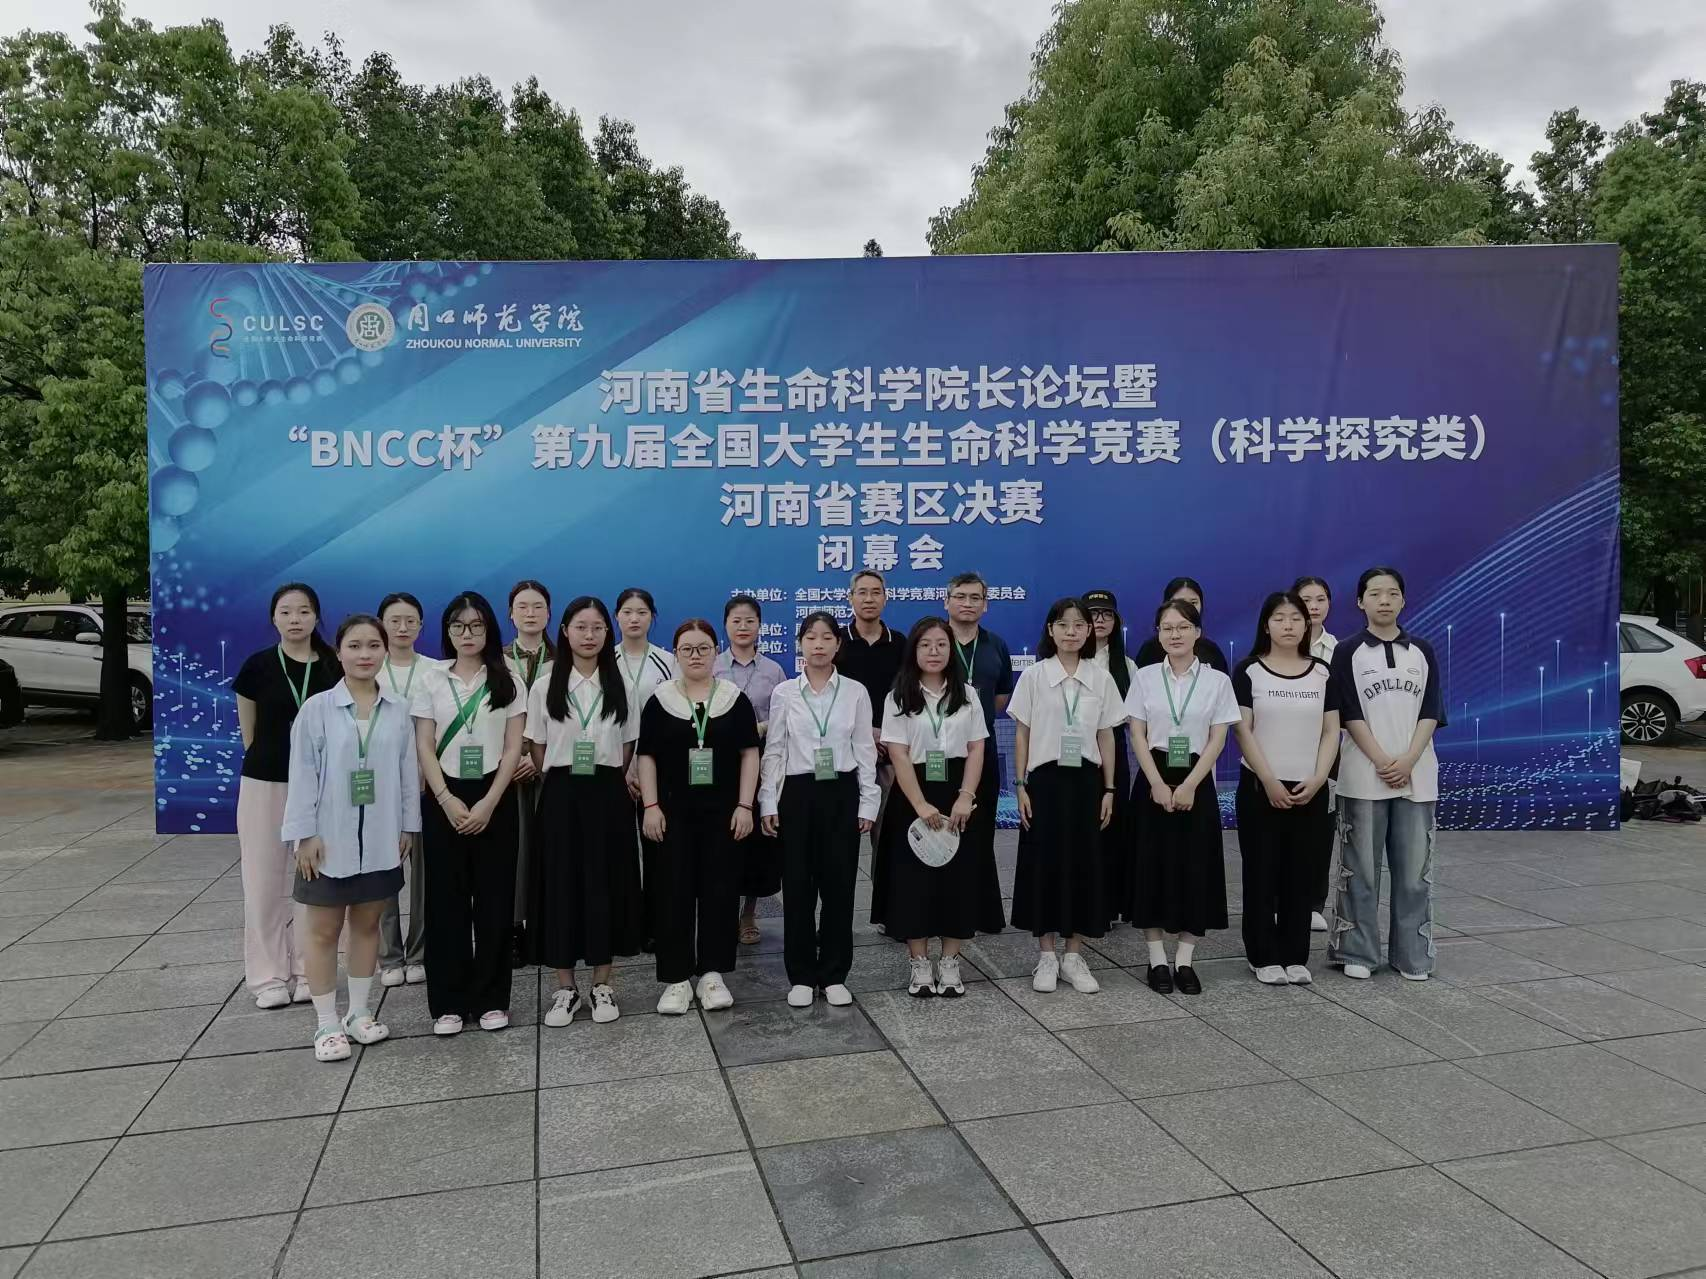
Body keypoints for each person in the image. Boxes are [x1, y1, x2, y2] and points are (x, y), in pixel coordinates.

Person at [283, 614, 420, 1061]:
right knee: (323, 931)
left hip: (381, 838)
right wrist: (304, 835)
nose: (365, 655)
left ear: (385, 652)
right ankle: (326, 1023)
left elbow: (407, 774)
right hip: (328, 839)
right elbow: (302, 774)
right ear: (339, 652)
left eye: (373, 646)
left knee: (366, 926)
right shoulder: (317, 709)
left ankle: (359, 1013)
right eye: (355, 646)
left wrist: (407, 826)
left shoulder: (397, 709)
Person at [411, 591, 525, 1036]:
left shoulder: (508, 676)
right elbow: (424, 743)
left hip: (495, 795)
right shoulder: (432, 678)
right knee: (446, 902)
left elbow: (513, 747)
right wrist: (445, 798)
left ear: (489, 629)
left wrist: (491, 801)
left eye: (476, 625)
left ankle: (492, 999)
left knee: (495, 901)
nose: (467, 634)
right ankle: (449, 1003)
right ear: (448, 632)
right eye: (458, 626)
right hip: (445, 796)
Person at [528, 597, 643, 1026]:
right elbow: (537, 746)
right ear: (564, 631)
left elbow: (628, 744)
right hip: (560, 793)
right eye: (581, 627)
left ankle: (602, 983)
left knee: (605, 882)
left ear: (607, 633)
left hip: (608, 792)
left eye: (597, 627)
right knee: (561, 883)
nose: (589, 635)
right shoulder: (545, 685)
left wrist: (607, 775)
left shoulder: (621, 685)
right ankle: (565, 988)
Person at [1327, 567, 1444, 981]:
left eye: (1393, 593)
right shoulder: (1347, 651)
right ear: (1360, 602)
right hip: (1363, 775)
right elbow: (1348, 712)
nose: (1384, 600)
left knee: (1414, 874)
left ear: (1403, 600)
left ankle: (1412, 956)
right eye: (1375, 593)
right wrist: (1381, 759)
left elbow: (1431, 710)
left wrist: (1408, 760)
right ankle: (1357, 952)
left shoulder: (1422, 651)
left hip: (1417, 775)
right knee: (1359, 870)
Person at [873, 616, 1001, 997]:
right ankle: (919, 963)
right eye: (926, 644)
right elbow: (898, 753)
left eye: (941, 645)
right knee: (913, 881)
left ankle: (950, 962)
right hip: (913, 794)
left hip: (958, 792)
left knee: (957, 879)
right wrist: (920, 804)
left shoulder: (968, 695)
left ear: (950, 651)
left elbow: (977, 748)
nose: (934, 651)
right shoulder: (898, 696)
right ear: (914, 649)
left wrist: (966, 796)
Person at [638, 619, 761, 1013]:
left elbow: (750, 753)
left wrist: (745, 805)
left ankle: (712, 973)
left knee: (720, 891)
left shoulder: (733, 699)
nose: (695, 656)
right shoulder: (660, 700)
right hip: (671, 814)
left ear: (715, 651)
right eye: (687, 649)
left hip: (724, 813)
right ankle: (675, 978)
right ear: (675, 654)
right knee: (671, 892)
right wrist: (651, 806)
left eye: (703, 648)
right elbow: (646, 756)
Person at [760, 611, 879, 1008]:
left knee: (839, 885)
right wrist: (768, 800)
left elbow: (864, 749)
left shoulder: (855, 692)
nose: (819, 645)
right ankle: (800, 974)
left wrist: (868, 801)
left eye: (827, 637)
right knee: (797, 886)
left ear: (838, 644)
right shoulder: (785, 693)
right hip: (797, 793)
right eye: (811, 637)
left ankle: (833, 973)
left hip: (841, 793)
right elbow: (775, 749)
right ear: (800, 643)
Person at [1007, 598, 1125, 995]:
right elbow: (1022, 734)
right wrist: (1020, 785)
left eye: (1079, 625)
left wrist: (1109, 789)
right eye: (1063, 624)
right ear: (1050, 630)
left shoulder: (1100, 678)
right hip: (1044, 782)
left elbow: (1107, 736)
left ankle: (1074, 956)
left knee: (1084, 865)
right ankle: (1046, 955)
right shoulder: (1035, 676)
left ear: (1089, 631)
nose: (1071, 631)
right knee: (1043, 864)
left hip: (1087, 783)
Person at [1127, 598, 1241, 995]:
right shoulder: (1144, 677)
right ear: (1158, 634)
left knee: (1196, 867)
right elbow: (1137, 733)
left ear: (1197, 632)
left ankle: (1185, 960)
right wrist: (1156, 783)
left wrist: (1191, 784)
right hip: (1153, 776)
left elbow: (1218, 738)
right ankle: (1157, 958)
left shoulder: (1217, 681)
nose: (1174, 634)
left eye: (1182, 627)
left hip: (1197, 777)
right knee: (1151, 866)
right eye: (1167, 628)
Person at [233, 583, 339, 1009]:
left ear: (317, 616)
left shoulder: (333, 666)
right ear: (273, 618)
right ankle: (268, 977)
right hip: (265, 783)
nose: (295, 619)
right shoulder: (257, 666)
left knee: (314, 880)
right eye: (286, 611)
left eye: (304, 611)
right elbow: (250, 733)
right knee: (262, 879)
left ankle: (309, 970)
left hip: (322, 786)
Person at [1232, 592, 1340, 986]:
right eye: (1279, 618)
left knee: (1301, 872)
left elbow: (1331, 731)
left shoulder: (1323, 672)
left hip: (1310, 787)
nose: (1289, 625)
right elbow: (1243, 730)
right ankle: (1262, 955)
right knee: (1261, 872)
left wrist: (1319, 777)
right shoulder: (1249, 671)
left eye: (1296, 618)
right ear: (1266, 625)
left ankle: (1295, 955)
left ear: (1306, 624)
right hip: (1261, 786)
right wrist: (1269, 780)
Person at [940, 571, 1015, 934]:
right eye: (960, 596)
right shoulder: (933, 640)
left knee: (981, 831)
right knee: (942, 829)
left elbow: (1000, 698)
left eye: (975, 598)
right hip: (939, 752)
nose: (967, 603)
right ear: (946, 601)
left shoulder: (995, 645)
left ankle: (982, 912)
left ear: (985, 605)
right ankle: (942, 909)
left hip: (981, 749)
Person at [713, 594, 787, 945]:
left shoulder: (774, 671)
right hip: (718, 763)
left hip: (760, 760)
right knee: (722, 837)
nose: (743, 627)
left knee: (757, 840)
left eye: (750, 621)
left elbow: (784, 716)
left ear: (760, 626)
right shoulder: (712, 666)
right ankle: (722, 911)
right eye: (736, 621)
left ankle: (748, 914)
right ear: (725, 625)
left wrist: (760, 726)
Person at [376, 592, 436, 989]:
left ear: (420, 626)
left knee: (425, 877)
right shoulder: (369, 667)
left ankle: (419, 952)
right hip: (381, 788)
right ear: (382, 624)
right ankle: (388, 956)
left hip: (425, 784)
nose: (402, 627)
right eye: (394, 620)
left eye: (410, 620)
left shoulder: (435, 670)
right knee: (383, 871)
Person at [614, 586, 678, 950]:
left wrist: (645, 767)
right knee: (620, 852)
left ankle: (656, 925)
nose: (634, 618)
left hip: (658, 769)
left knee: (657, 849)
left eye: (641, 612)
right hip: (616, 769)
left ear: (652, 617)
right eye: (627, 612)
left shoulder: (668, 661)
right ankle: (626, 925)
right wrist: (624, 769)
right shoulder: (606, 661)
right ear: (617, 617)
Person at [835, 569, 903, 852]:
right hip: (844, 754)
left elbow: (907, 697)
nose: (869, 599)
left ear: (886, 598)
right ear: (850, 598)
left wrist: (884, 734)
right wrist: (864, 734)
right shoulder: (836, 641)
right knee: (839, 839)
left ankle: (882, 885)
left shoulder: (900, 643)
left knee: (887, 839)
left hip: (889, 753)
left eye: (876, 592)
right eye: (862, 592)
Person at [506, 580, 554, 966]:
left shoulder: (566, 659)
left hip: (551, 763)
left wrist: (538, 756)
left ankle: (549, 924)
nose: (530, 613)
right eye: (522, 606)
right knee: (514, 850)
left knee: (551, 846)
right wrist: (515, 755)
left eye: (538, 606)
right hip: (507, 769)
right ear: (511, 614)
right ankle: (514, 928)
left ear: (549, 613)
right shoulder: (495, 660)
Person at [1084, 589, 1139, 923]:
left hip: (1113, 748)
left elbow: (1134, 719)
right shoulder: (1070, 658)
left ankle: (1109, 903)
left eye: (1107, 614)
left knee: (1112, 823)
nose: (1100, 620)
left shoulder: (1127, 666)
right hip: (1075, 748)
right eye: (1093, 614)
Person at [1293, 574, 1339, 933]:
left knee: (1321, 830)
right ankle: (1279, 900)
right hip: (1282, 748)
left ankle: (1312, 903)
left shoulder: (1340, 650)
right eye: (1305, 599)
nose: (1313, 606)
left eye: (1320, 599)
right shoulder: (1278, 646)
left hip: (1327, 749)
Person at [1132, 577, 1231, 674]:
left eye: (1193, 602)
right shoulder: (1149, 651)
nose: (1186, 608)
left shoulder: (1212, 651)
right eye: (1179, 602)